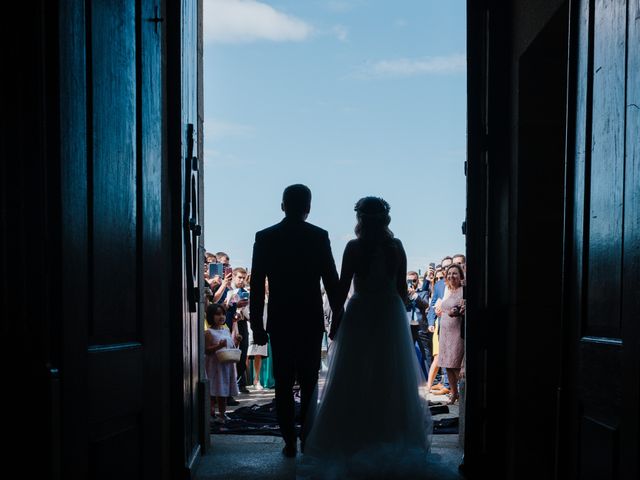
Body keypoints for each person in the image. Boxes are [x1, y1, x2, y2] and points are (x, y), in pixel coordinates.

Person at [298, 196, 432, 479]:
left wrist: (335, 323)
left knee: (353, 373)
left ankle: (352, 435)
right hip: (388, 312)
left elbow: (342, 287)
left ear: (360, 219)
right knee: (389, 374)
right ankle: (390, 432)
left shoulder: (354, 247)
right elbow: (400, 290)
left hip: (360, 311)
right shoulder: (396, 247)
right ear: (386, 219)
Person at [249, 184, 340, 458]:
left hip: (280, 319)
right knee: (310, 382)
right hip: (310, 318)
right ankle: (307, 437)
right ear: (308, 207)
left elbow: (255, 284)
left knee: (283, 383)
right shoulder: (318, 236)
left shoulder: (265, 237)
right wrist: (338, 318)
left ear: (282, 205)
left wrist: (256, 325)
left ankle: (288, 440)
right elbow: (332, 281)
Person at [204, 303, 240, 423]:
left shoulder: (226, 330)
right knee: (213, 391)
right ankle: (210, 413)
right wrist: (218, 346)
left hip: (226, 365)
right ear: (211, 316)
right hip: (214, 366)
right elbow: (206, 350)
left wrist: (237, 341)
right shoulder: (209, 332)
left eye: (223, 314)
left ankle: (222, 414)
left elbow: (231, 347)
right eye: (217, 314)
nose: (221, 317)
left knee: (223, 390)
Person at [438, 264, 466, 405]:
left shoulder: (463, 291)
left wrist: (459, 310)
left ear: (461, 275)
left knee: (455, 364)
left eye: (455, 273)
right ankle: (454, 393)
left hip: (456, 332)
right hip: (444, 333)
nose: (451, 276)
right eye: (449, 274)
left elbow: (463, 309)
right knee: (447, 365)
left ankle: (463, 395)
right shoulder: (448, 290)